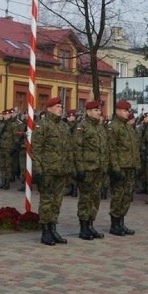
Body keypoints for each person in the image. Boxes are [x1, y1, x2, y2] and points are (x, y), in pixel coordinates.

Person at [32, 96, 72, 246]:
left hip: (61, 170)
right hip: (47, 170)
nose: (60, 109)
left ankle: (53, 228)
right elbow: (36, 149)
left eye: (61, 107)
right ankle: (45, 231)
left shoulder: (64, 126)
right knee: (47, 201)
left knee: (57, 202)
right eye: (57, 107)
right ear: (48, 109)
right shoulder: (42, 125)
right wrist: (38, 170)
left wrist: (69, 167)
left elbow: (68, 149)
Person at [72, 100, 109, 240]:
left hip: (99, 169)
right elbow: (77, 149)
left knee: (95, 199)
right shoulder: (82, 127)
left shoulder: (100, 127)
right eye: (95, 110)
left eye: (99, 110)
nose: (98, 112)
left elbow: (104, 149)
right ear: (88, 112)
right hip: (87, 169)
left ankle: (91, 225)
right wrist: (80, 168)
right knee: (86, 198)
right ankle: (83, 227)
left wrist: (105, 166)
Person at [107, 100, 140, 235]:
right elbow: (111, 149)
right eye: (126, 110)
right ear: (118, 110)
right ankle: (114, 224)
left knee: (127, 196)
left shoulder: (128, 127)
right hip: (120, 167)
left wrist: (137, 165)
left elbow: (134, 148)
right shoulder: (113, 127)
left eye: (128, 111)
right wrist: (115, 168)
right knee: (118, 196)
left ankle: (121, 222)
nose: (128, 113)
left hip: (130, 167)